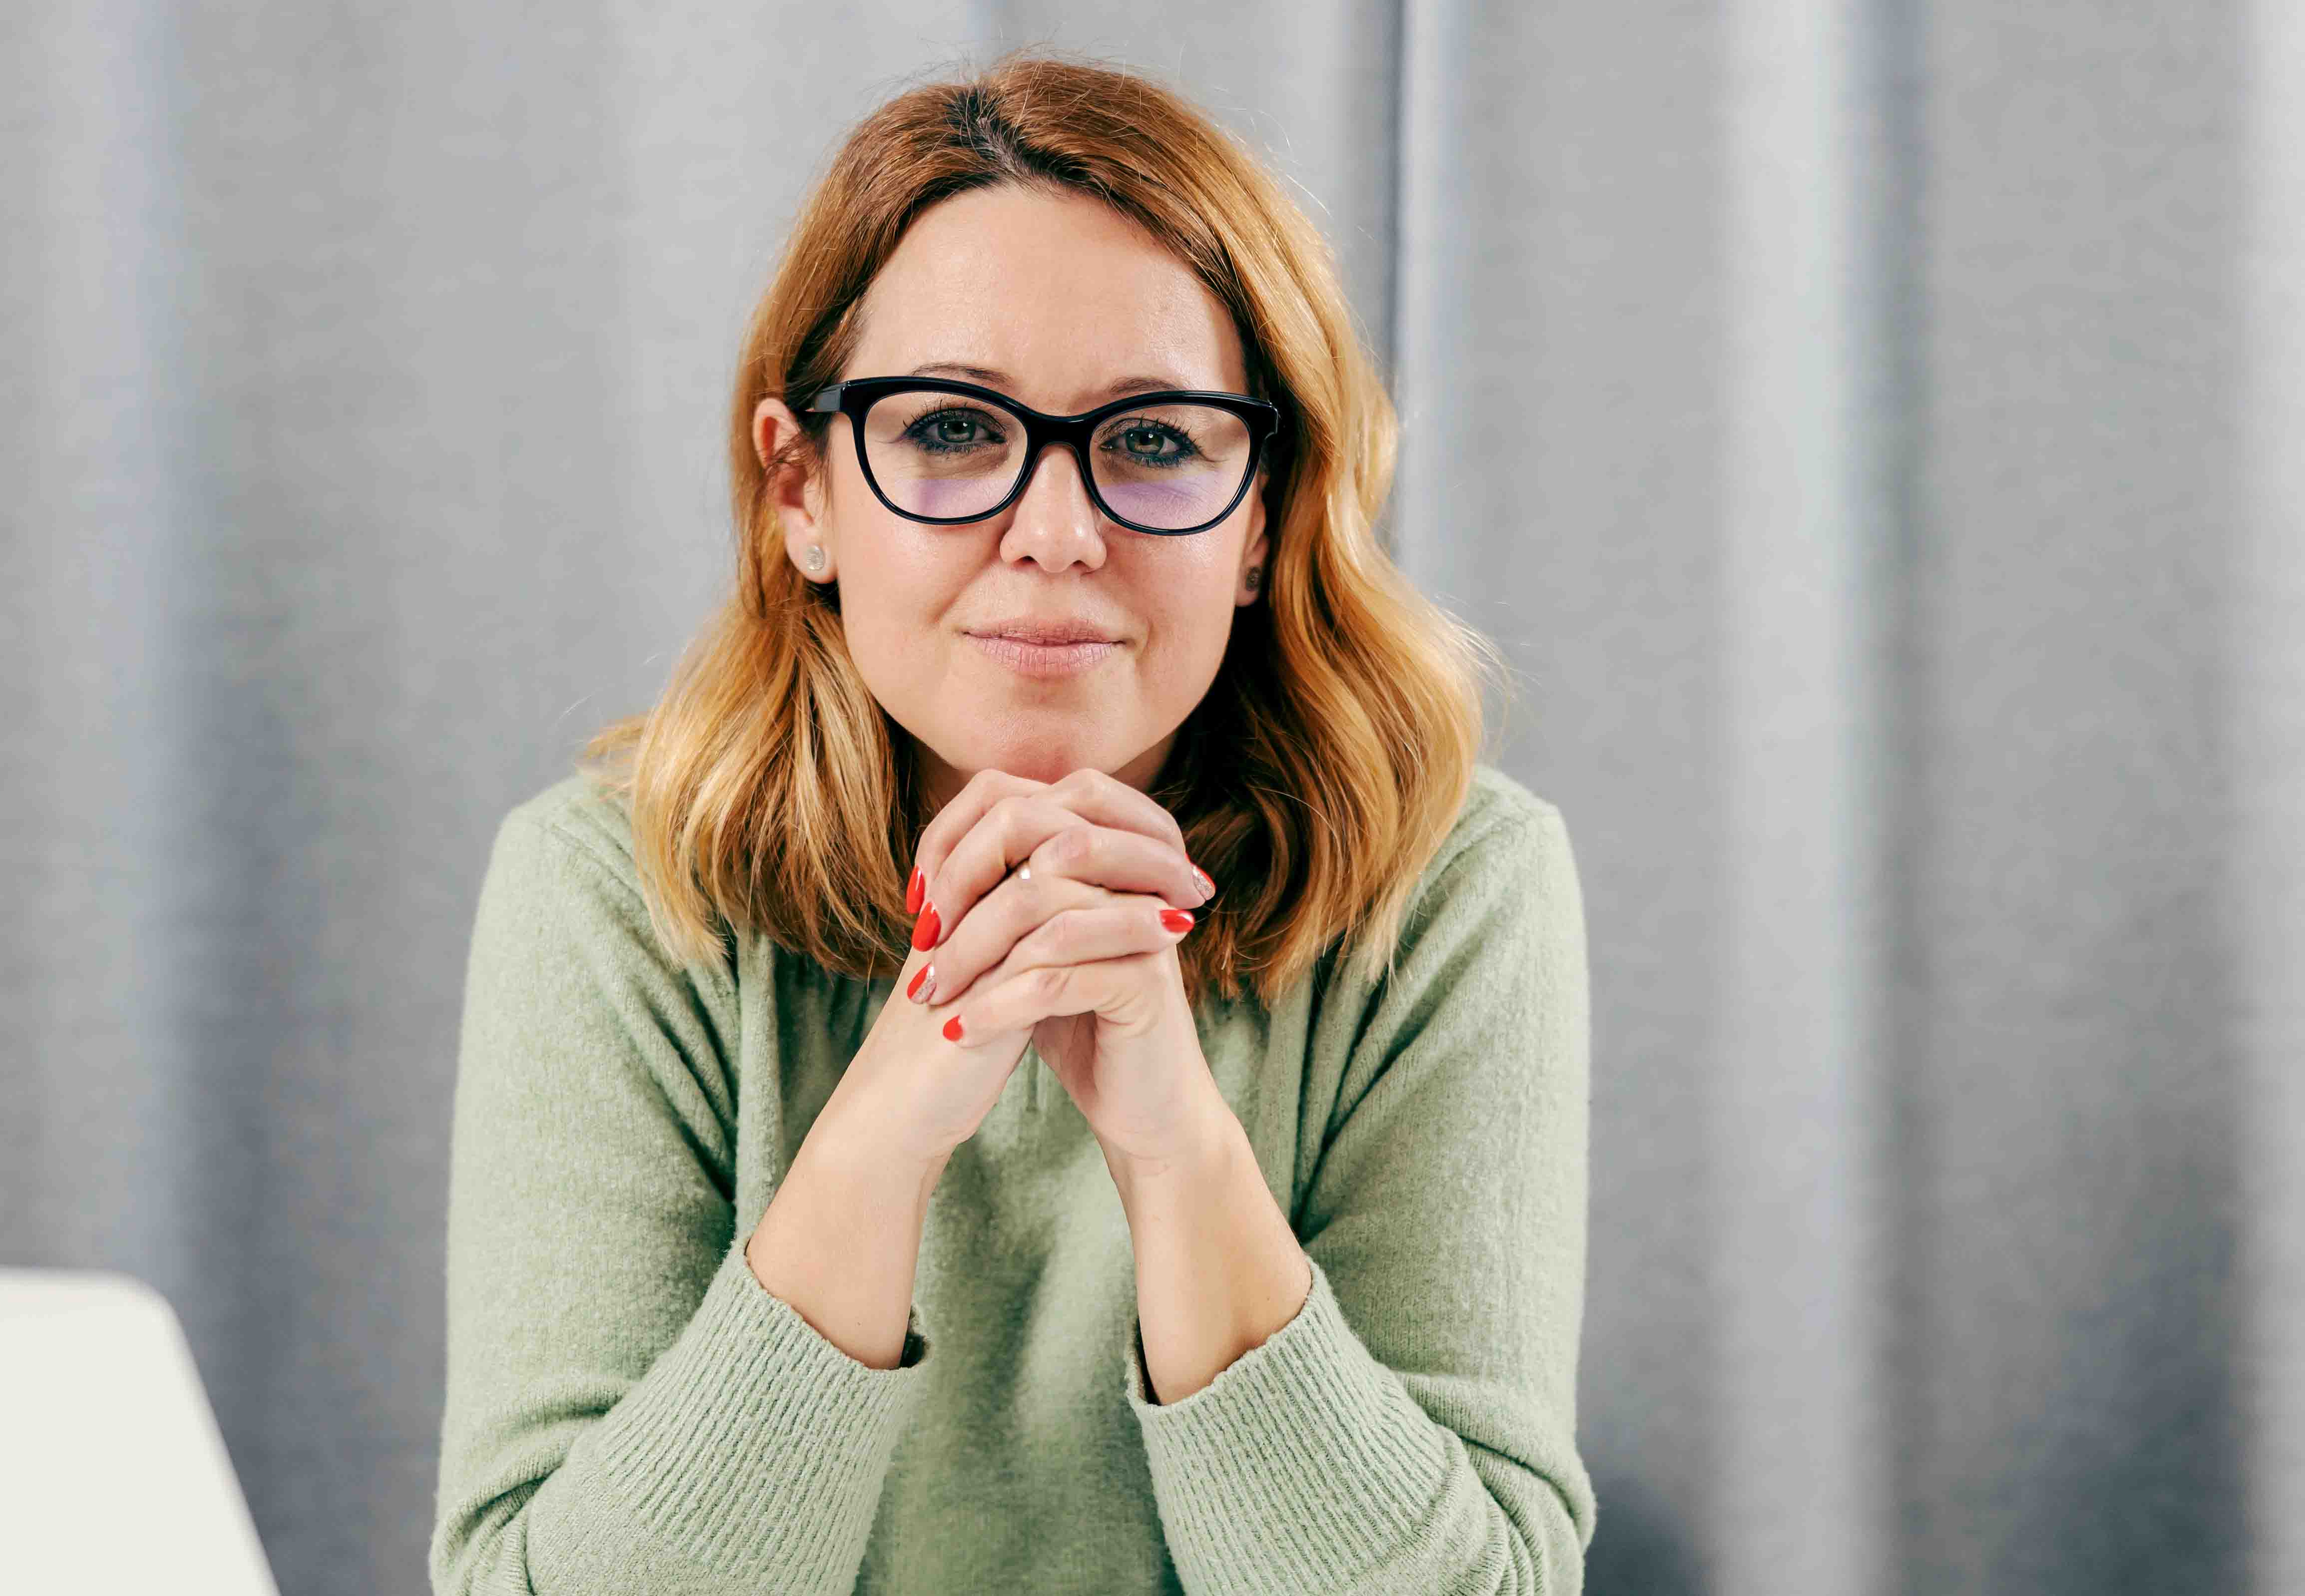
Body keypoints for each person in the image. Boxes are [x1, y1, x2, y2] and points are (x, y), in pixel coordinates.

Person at [428, 45, 1597, 1596]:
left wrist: (1179, 1147)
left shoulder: (1450, 889)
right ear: (804, 492)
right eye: (953, 432)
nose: (1055, 535)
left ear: (1263, 516)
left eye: (1158, 441)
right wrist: (893, 1114)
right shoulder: (614, 890)